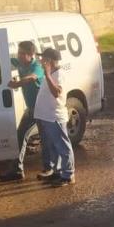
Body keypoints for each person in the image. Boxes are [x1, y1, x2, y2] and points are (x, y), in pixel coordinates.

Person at [0, 41, 49, 182]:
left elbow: (32, 77)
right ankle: (17, 170)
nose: (18, 56)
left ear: (30, 54)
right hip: (31, 109)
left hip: (41, 109)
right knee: (20, 136)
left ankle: (49, 168)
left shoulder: (36, 66)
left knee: (45, 138)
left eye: (22, 53)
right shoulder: (20, 62)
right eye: (18, 53)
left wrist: (17, 83)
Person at [34, 48, 75, 187]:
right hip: (46, 116)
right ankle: (57, 172)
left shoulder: (59, 74)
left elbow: (56, 93)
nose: (40, 61)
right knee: (53, 147)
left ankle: (68, 175)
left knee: (63, 147)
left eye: (43, 59)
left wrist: (47, 74)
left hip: (54, 117)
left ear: (49, 61)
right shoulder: (51, 73)